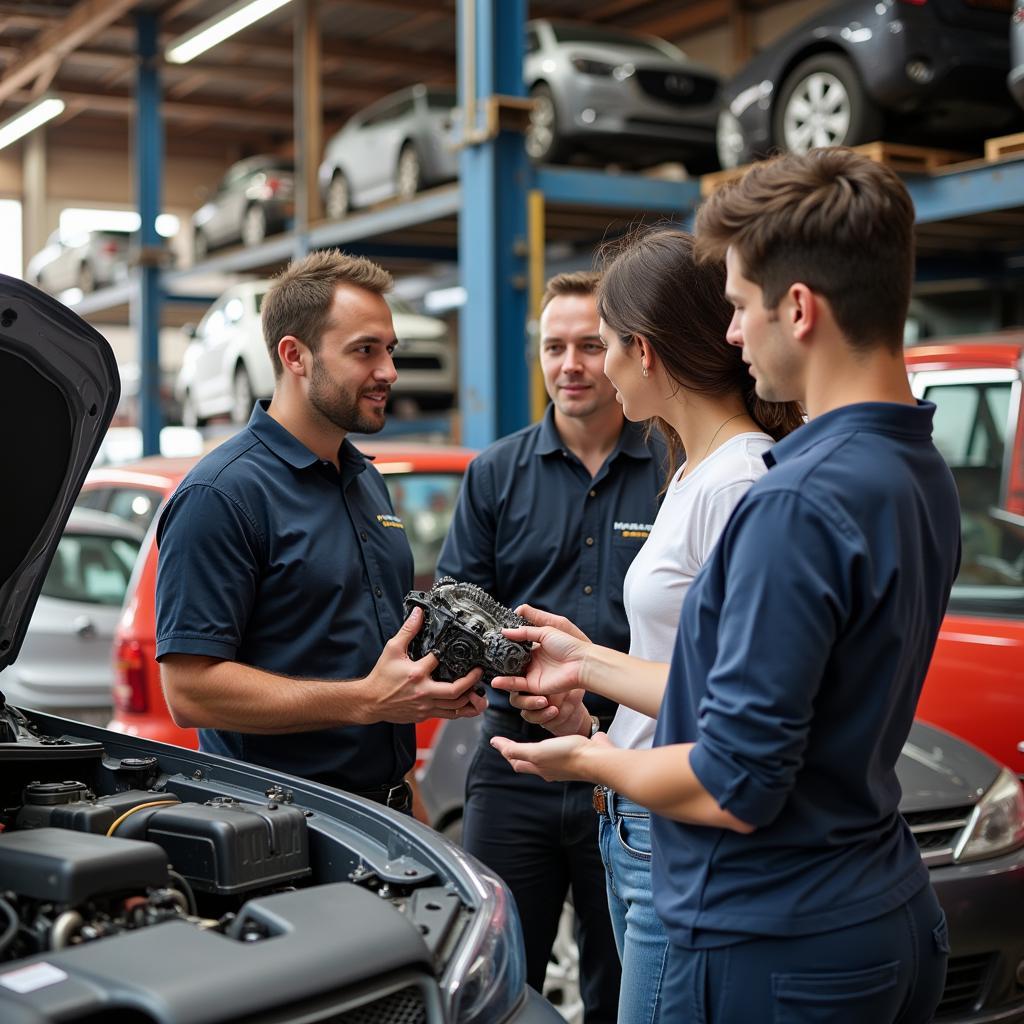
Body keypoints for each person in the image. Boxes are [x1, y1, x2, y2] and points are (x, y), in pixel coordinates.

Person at [491, 149, 961, 1023]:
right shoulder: (914, 464)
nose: (733, 335)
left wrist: (588, 759)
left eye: (740, 307)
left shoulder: (794, 498)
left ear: (799, 308)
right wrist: (588, 661)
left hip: (777, 943)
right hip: (877, 904)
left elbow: (731, 783)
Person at [510, 227, 801, 1024]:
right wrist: (584, 662)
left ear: (646, 350)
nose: (596, 368)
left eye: (603, 346)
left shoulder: (736, 483)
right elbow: (688, 665)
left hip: (671, 824)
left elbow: (731, 702)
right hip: (639, 815)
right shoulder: (692, 471)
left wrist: (591, 683)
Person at [155, 249, 484, 813]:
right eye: (364, 351)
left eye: (389, 350)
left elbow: (380, 679)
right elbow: (189, 691)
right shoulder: (222, 496)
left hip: (385, 810)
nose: (389, 372)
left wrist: (409, 802)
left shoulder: (363, 478)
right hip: (274, 825)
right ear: (295, 356)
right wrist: (366, 701)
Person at [437, 271, 666, 1021]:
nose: (570, 364)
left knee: (622, 985)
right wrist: (514, 680)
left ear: (626, 349)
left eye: (590, 346)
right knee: (501, 984)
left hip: (632, 767)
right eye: (553, 346)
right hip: (514, 768)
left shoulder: (672, 467)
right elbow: (455, 615)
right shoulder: (495, 474)